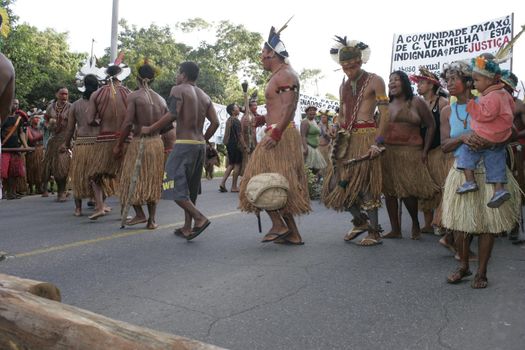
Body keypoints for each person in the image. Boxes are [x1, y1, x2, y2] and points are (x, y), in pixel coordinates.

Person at [440, 61, 521, 288]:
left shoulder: (490, 102)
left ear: (469, 82)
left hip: (490, 172)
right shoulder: (447, 110)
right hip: (463, 172)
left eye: (454, 78)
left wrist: (493, 141)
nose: (450, 83)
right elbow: (444, 145)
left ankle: (481, 273)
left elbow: (511, 133)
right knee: (460, 223)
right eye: (447, 79)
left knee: (488, 225)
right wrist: (463, 138)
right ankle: (463, 266)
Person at [239, 23, 311, 245]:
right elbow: (280, 107)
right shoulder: (279, 75)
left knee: (254, 179)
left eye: (262, 53)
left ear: (272, 53)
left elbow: (289, 107)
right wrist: (262, 120)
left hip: (280, 136)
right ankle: (293, 233)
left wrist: (276, 132)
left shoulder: (286, 75)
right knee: (279, 183)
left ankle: (279, 225)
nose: (261, 57)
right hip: (276, 132)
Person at [321, 37, 389, 246]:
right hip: (345, 140)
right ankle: (360, 222)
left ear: (360, 62)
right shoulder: (343, 87)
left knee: (365, 186)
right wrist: (335, 126)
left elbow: (385, 115)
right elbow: (342, 115)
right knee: (334, 184)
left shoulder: (375, 80)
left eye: (353, 66)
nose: (349, 70)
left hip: (366, 137)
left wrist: (377, 142)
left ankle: (375, 232)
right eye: (345, 67)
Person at [142, 61, 219, 240]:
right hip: (199, 145)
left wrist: (150, 128)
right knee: (190, 189)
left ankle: (199, 218)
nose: (176, 76)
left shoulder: (178, 89)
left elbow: (172, 114)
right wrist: (204, 139)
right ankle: (187, 227)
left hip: (184, 143)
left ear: (183, 74)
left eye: (178, 73)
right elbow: (215, 123)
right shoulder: (205, 96)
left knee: (171, 185)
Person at [381, 70, 439, 240]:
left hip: (411, 151)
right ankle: (395, 229)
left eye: (396, 80)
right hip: (388, 151)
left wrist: (426, 150)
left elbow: (431, 125)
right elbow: (379, 129)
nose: (392, 83)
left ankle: (415, 223)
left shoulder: (416, 102)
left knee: (408, 191)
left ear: (405, 83)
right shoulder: (385, 105)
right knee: (389, 191)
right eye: (390, 80)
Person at [455, 54, 515, 209]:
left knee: (467, 151)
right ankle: (499, 190)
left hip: (487, 135)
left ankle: (470, 181)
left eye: (476, 80)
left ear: (489, 80)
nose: (474, 84)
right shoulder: (504, 94)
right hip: (500, 136)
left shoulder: (491, 96)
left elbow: (485, 114)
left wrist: (472, 105)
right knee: (496, 160)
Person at [113, 62, 166, 229]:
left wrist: (119, 145)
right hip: (157, 144)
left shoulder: (134, 96)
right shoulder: (161, 99)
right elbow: (166, 127)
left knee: (128, 179)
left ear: (137, 77)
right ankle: (152, 220)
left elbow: (128, 123)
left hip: (139, 143)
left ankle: (140, 213)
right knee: (152, 180)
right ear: (153, 79)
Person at [87, 61, 131, 219]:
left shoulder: (96, 94)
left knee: (95, 176)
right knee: (125, 175)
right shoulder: (128, 93)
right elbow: (133, 120)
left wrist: (101, 121)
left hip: (104, 139)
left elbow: (89, 119)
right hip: (125, 139)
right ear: (121, 76)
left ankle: (99, 207)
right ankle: (124, 211)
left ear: (106, 76)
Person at [410, 67, 450, 234]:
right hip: (420, 150)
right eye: (418, 83)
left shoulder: (442, 103)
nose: (418, 86)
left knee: (441, 186)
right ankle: (427, 223)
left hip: (438, 150)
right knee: (424, 186)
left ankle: (442, 221)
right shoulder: (416, 103)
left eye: (422, 83)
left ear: (432, 85)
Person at [62, 74, 101, 216]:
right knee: (97, 177)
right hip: (97, 144)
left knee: (79, 177)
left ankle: (78, 209)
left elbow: (70, 129)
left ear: (84, 85)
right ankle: (99, 204)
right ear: (97, 86)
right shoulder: (100, 103)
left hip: (82, 144)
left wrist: (66, 144)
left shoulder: (75, 105)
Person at [41, 87, 72, 202]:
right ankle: (61, 190)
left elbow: (74, 124)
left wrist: (69, 141)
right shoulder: (50, 108)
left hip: (66, 139)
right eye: (62, 94)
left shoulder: (70, 107)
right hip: (53, 140)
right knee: (55, 167)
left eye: (66, 94)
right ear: (56, 94)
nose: (64, 96)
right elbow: (45, 121)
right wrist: (49, 124)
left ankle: (62, 191)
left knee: (62, 166)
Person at [1, 100, 28, 199]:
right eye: (13, 103)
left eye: (17, 104)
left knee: (15, 172)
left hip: (15, 149)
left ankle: (12, 192)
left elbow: (21, 133)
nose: (15, 105)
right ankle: (3, 192)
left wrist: (25, 146)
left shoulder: (18, 119)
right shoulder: (3, 118)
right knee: (3, 172)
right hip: (4, 149)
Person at [219, 103, 246, 192]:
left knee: (231, 164)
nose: (238, 108)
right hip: (236, 145)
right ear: (233, 111)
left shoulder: (229, 120)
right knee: (237, 165)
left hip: (230, 145)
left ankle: (222, 183)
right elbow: (239, 135)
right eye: (236, 107)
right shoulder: (236, 121)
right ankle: (234, 187)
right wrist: (245, 146)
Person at [301, 105, 326, 176]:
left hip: (315, 148)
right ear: (306, 112)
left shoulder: (314, 121)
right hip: (308, 147)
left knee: (316, 168)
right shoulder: (305, 122)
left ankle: (311, 182)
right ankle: (307, 183)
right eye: (310, 110)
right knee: (308, 168)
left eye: (314, 110)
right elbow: (303, 136)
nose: (312, 112)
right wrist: (305, 148)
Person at [25, 111, 45, 194]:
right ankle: (31, 188)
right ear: (31, 119)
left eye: (39, 118)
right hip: (32, 152)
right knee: (31, 170)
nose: (38, 119)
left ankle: (39, 187)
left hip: (41, 151)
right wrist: (42, 135)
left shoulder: (41, 128)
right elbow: (31, 139)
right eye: (36, 117)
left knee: (40, 170)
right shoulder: (28, 129)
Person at [318, 109, 335, 177]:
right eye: (322, 117)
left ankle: (327, 175)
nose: (323, 118)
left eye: (324, 117)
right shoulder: (318, 125)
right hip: (320, 147)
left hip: (328, 147)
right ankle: (321, 176)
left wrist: (328, 135)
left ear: (327, 118)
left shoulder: (330, 126)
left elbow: (333, 136)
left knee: (328, 162)